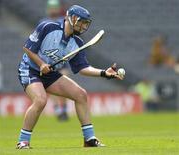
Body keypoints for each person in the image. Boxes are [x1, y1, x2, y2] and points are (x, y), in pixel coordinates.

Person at [16, 5, 124, 149]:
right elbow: (28, 48)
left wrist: (104, 73)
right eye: (82, 21)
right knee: (41, 100)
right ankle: (23, 141)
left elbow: (83, 68)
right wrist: (41, 64)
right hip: (29, 69)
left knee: (80, 95)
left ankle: (89, 139)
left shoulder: (77, 43)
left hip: (50, 74)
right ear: (72, 18)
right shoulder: (47, 27)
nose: (84, 26)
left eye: (86, 23)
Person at [41, 0, 70, 121]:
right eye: (51, 8)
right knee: (51, 86)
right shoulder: (42, 23)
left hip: (62, 59)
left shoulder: (64, 22)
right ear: (48, 9)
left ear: (58, 9)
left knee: (64, 85)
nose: (53, 10)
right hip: (48, 60)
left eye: (55, 8)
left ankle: (63, 108)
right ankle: (58, 108)